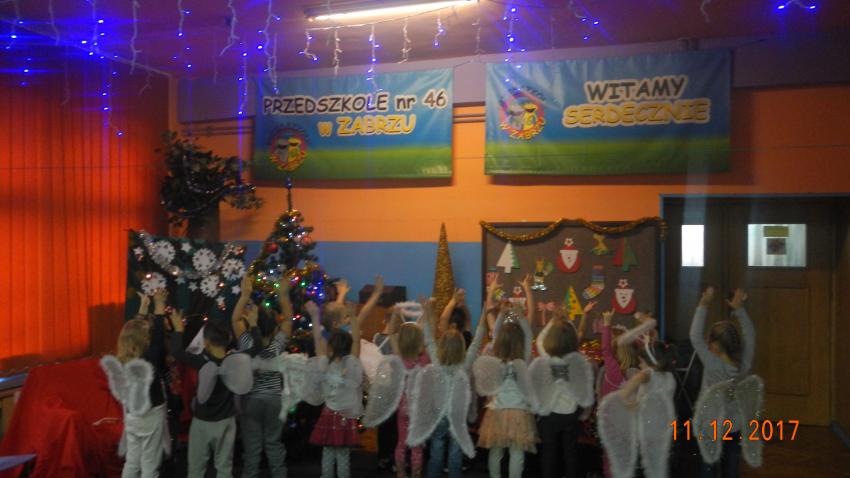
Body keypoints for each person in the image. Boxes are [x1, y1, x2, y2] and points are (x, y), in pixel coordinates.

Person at [304, 277, 383, 478]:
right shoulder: (353, 363)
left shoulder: (325, 362)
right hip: (346, 416)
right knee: (343, 455)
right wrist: (354, 316)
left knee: (328, 453)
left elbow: (318, 340)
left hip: (329, 413)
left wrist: (314, 316)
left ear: (329, 347)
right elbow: (355, 340)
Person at [168, 307, 260, 478]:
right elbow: (257, 348)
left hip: (202, 422)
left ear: (206, 342)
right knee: (224, 468)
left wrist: (178, 329)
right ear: (229, 338)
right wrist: (253, 324)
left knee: (196, 469)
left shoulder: (201, 361)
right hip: (226, 421)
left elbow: (176, 351)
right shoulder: (235, 360)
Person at [406, 299, 487, 478]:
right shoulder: (464, 365)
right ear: (461, 347)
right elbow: (477, 341)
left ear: (442, 346)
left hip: (439, 415)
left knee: (436, 451)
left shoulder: (437, 362)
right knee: (455, 454)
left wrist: (426, 311)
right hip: (457, 415)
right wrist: (485, 313)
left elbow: (428, 338)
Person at [473, 274, 538, 478]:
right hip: (519, 411)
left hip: (498, 410)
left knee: (496, 451)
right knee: (517, 454)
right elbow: (528, 333)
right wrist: (519, 312)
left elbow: (496, 331)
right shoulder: (524, 357)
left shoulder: (495, 356)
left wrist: (501, 312)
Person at [101, 289, 170, 478]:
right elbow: (158, 338)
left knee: (132, 461)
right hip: (151, 416)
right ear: (144, 340)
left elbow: (133, 332)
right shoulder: (150, 360)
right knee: (149, 463)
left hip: (132, 417)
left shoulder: (123, 361)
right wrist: (159, 305)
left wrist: (143, 308)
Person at [689, 287, 758, 478]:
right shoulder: (744, 363)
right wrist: (740, 309)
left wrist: (703, 304)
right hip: (734, 425)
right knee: (731, 467)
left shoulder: (712, 364)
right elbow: (751, 335)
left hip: (710, 426)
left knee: (708, 466)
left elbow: (694, 336)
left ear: (715, 346)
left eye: (710, 340)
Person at [232, 273, 293, 478]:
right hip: (275, 400)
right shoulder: (277, 346)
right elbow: (289, 320)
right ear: (275, 329)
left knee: (252, 446)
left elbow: (235, 319)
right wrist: (283, 295)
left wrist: (245, 295)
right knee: (274, 443)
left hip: (252, 400)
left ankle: (250, 474)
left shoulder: (247, 343)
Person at [597, 322, 677, 478]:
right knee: (659, 462)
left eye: (641, 362)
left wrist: (625, 397)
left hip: (646, 427)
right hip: (664, 426)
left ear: (650, 363)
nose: (640, 365)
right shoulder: (669, 376)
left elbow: (636, 381)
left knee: (642, 463)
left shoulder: (647, 374)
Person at [363, 306, 430, 478]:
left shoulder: (398, 358)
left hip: (402, 406)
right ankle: (416, 474)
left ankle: (400, 473)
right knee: (417, 446)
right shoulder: (425, 359)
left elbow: (392, 334)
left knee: (401, 442)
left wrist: (393, 317)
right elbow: (428, 337)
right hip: (418, 407)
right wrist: (427, 312)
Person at [529, 317, 595, 478]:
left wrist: (551, 321)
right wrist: (585, 412)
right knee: (571, 453)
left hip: (549, 415)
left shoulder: (543, 362)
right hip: (572, 414)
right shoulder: (580, 363)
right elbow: (586, 392)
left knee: (548, 454)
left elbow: (533, 390)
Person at [597, 308, 656, 478]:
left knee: (610, 455)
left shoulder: (613, 371)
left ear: (616, 352)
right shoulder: (639, 373)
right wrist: (645, 331)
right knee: (628, 455)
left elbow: (605, 349)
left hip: (611, 422)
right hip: (630, 423)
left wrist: (607, 323)